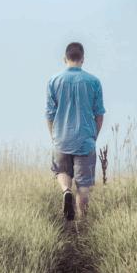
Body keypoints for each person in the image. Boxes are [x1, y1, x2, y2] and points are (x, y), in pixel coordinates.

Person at [45, 42, 105, 220]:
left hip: (61, 138)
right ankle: (82, 224)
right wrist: (93, 137)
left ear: (65, 58)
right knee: (83, 185)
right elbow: (99, 114)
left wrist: (54, 136)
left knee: (62, 172)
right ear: (83, 59)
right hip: (85, 140)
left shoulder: (54, 81)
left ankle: (65, 191)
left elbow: (49, 114)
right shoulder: (94, 82)